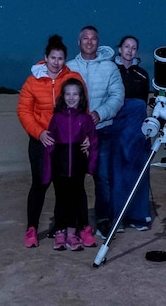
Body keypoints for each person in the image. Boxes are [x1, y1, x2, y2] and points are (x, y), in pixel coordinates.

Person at [17, 34, 89, 248]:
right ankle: (31, 229)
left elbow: (83, 107)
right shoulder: (33, 80)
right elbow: (24, 111)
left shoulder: (72, 78)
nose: (56, 62)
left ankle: (63, 228)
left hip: (66, 142)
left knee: (65, 186)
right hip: (41, 141)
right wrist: (39, 133)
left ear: (65, 59)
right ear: (45, 58)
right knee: (40, 184)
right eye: (53, 57)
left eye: (60, 58)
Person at [67, 25, 125, 239]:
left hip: (102, 131)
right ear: (79, 42)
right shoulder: (69, 67)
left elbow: (117, 96)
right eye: (85, 38)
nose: (89, 42)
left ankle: (103, 219)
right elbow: (62, 97)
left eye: (93, 38)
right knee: (74, 179)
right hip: (74, 134)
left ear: (98, 42)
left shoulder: (110, 68)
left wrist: (99, 114)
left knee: (103, 178)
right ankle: (77, 222)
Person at [44, 79, 99, 251]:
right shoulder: (57, 118)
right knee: (61, 199)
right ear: (63, 96)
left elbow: (94, 142)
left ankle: (72, 234)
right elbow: (49, 145)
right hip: (59, 167)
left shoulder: (86, 118)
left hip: (77, 166)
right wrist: (47, 171)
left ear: (81, 96)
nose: (71, 97)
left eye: (75, 94)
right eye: (67, 94)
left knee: (75, 199)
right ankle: (59, 234)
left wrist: (91, 165)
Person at [112, 35, 152, 230]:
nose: (129, 50)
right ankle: (118, 217)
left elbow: (143, 104)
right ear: (119, 49)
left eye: (133, 47)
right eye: (126, 46)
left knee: (138, 170)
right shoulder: (110, 70)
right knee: (117, 172)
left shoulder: (143, 74)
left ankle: (138, 216)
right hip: (116, 128)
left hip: (136, 129)